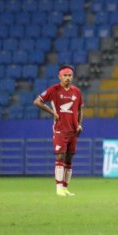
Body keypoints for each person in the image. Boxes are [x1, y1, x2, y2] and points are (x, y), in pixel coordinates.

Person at [33, 65, 84, 197]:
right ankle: (59, 188)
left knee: (69, 158)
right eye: (65, 75)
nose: (68, 78)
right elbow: (37, 101)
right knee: (60, 156)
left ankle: (65, 188)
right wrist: (52, 112)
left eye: (70, 75)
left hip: (73, 130)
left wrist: (79, 124)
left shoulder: (77, 92)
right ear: (59, 77)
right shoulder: (54, 89)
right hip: (60, 129)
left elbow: (80, 109)